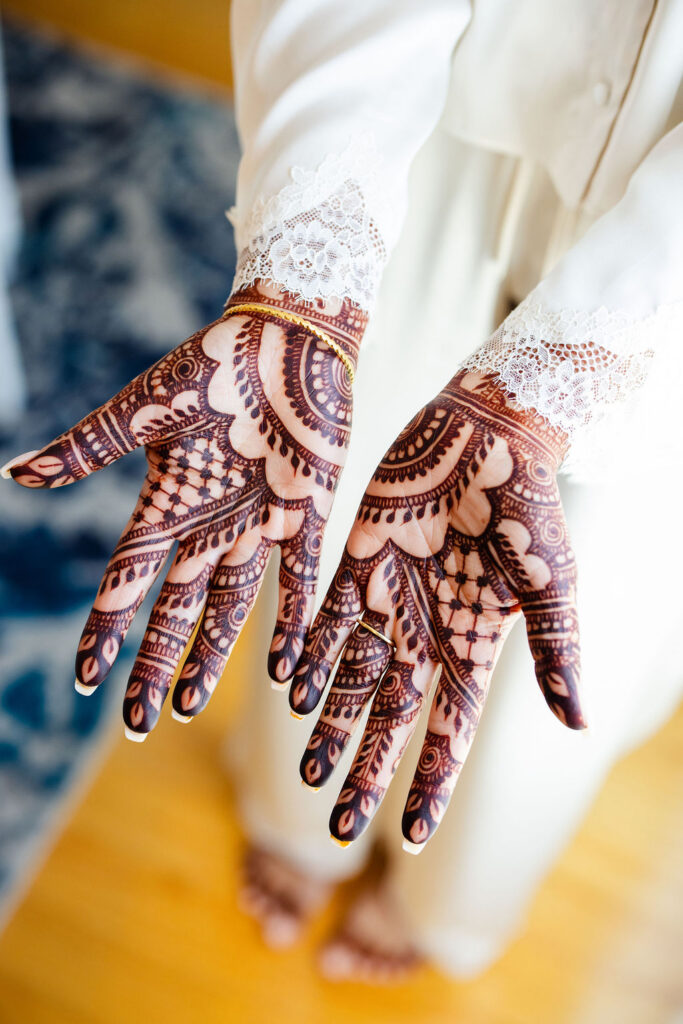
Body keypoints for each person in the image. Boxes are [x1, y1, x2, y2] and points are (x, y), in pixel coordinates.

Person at [3, 0, 682, 982]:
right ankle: (300, 814)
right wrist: (299, 291)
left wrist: (541, 387)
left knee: (595, 601)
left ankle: (452, 896)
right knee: (341, 489)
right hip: (450, 95)